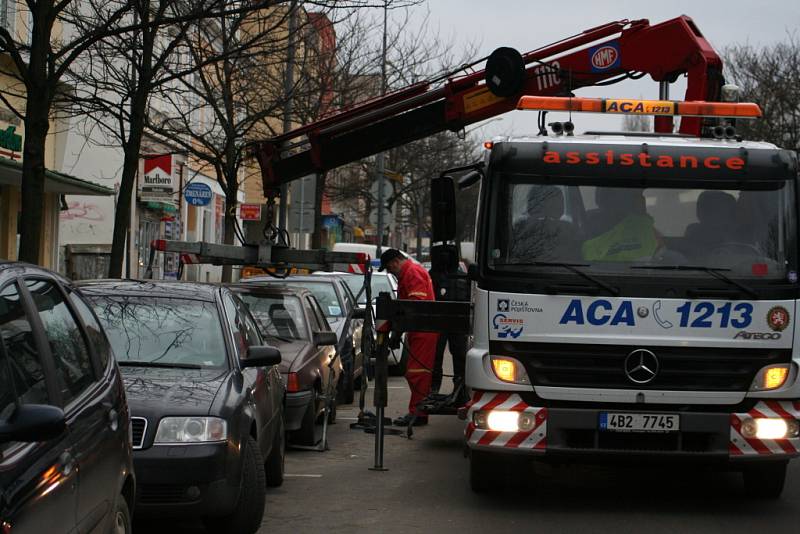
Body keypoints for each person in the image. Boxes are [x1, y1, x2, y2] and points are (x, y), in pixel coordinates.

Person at [379, 248, 438, 427]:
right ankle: (418, 411)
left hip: (423, 331)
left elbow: (414, 306)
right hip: (419, 330)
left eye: (389, 268)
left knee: (417, 374)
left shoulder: (412, 273)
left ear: (396, 261)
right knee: (416, 373)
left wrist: (397, 328)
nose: (390, 272)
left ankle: (418, 413)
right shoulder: (408, 274)